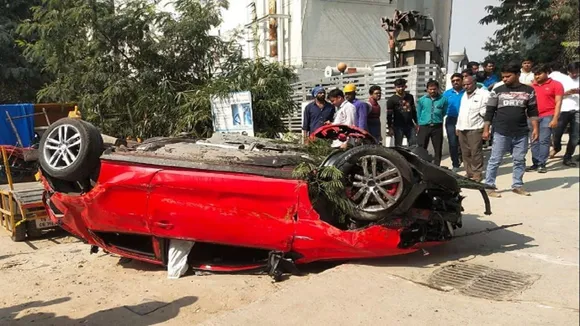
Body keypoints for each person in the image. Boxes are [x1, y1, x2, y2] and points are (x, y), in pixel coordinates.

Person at [483, 63, 539, 198]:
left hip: (521, 132)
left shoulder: (528, 91)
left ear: (517, 75)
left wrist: (535, 128)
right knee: (495, 160)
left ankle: (517, 185)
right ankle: (489, 186)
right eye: (503, 77)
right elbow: (489, 111)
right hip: (501, 131)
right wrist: (486, 129)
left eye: (508, 76)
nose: (505, 79)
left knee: (520, 159)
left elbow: (532, 110)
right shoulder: (497, 90)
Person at [527, 64, 564, 173]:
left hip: (548, 115)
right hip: (532, 117)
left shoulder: (556, 85)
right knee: (534, 140)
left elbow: (558, 102)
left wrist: (555, 118)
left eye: (539, 74)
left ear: (546, 73)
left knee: (544, 140)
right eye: (535, 74)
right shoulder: (531, 87)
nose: (537, 76)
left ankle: (542, 164)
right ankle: (535, 163)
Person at [456, 75, 490, 182]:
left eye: (468, 84)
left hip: (475, 128)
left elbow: (488, 113)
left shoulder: (484, 94)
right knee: (465, 153)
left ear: (474, 82)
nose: (466, 87)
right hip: (462, 128)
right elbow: (461, 113)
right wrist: (457, 127)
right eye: (464, 85)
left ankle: (477, 174)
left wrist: (486, 129)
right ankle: (469, 173)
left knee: (476, 152)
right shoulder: (463, 96)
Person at [551, 62, 579, 167]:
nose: (575, 75)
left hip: (577, 110)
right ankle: (557, 147)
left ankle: (568, 157)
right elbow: (555, 95)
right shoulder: (561, 79)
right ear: (568, 71)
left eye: (577, 72)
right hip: (563, 109)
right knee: (557, 133)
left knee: (575, 135)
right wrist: (568, 92)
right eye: (572, 72)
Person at [416, 79, 448, 166]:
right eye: (430, 89)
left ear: (437, 89)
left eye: (434, 89)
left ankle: (437, 166)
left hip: (437, 127)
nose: (432, 91)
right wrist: (419, 124)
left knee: (438, 148)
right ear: (427, 89)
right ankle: (421, 165)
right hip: (424, 126)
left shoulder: (443, 100)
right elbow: (418, 113)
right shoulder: (422, 100)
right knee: (421, 148)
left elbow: (444, 112)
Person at [443, 73, 465, 172]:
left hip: (465, 119)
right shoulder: (447, 94)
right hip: (451, 120)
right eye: (453, 81)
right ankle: (455, 164)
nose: (455, 82)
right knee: (452, 143)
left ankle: (466, 162)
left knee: (465, 142)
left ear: (462, 80)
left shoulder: (466, 92)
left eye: (457, 80)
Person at [386, 78, 418, 146]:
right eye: (398, 87)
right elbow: (389, 115)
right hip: (398, 126)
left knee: (413, 145)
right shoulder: (391, 100)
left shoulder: (410, 97)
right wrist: (390, 127)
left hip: (410, 125)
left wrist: (417, 123)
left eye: (402, 86)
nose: (401, 88)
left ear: (405, 86)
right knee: (398, 146)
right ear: (395, 87)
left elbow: (413, 111)